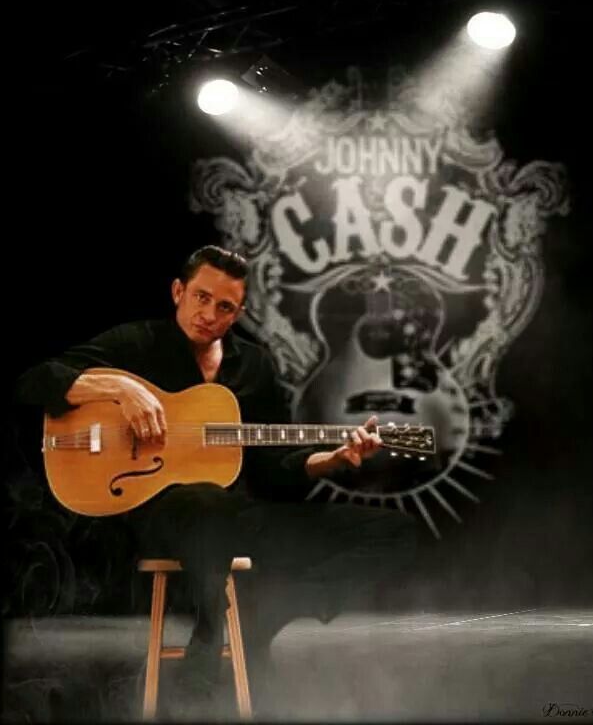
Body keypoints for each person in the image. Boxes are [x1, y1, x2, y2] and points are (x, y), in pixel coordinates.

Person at [15, 245, 421, 714]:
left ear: (239, 312)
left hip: (235, 517)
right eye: (201, 298)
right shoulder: (137, 343)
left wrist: (333, 458)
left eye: (225, 307)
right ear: (178, 292)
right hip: (162, 518)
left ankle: (263, 617)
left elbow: (274, 470)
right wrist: (120, 387)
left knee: (397, 533)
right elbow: (34, 381)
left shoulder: (254, 366)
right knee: (204, 500)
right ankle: (209, 633)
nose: (209, 315)